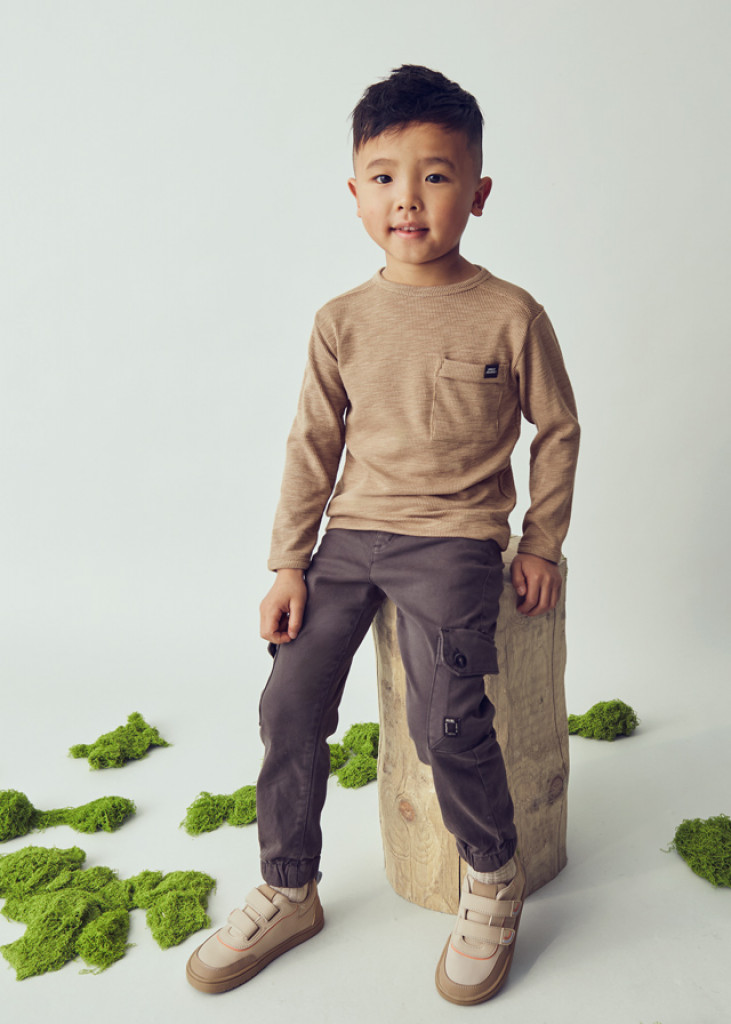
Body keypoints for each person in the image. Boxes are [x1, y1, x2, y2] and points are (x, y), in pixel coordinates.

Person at [186, 64, 580, 1005]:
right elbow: (311, 445)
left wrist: (539, 542)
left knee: (444, 719)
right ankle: (289, 887)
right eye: (384, 176)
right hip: (349, 539)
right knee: (287, 706)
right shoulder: (340, 321)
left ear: (477, 193)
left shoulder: (511, 313)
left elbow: (558, 429)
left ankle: (493, 874)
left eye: (436, 175)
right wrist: (288, 563)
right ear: (355, 193)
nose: (409, 197)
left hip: (453, 542)